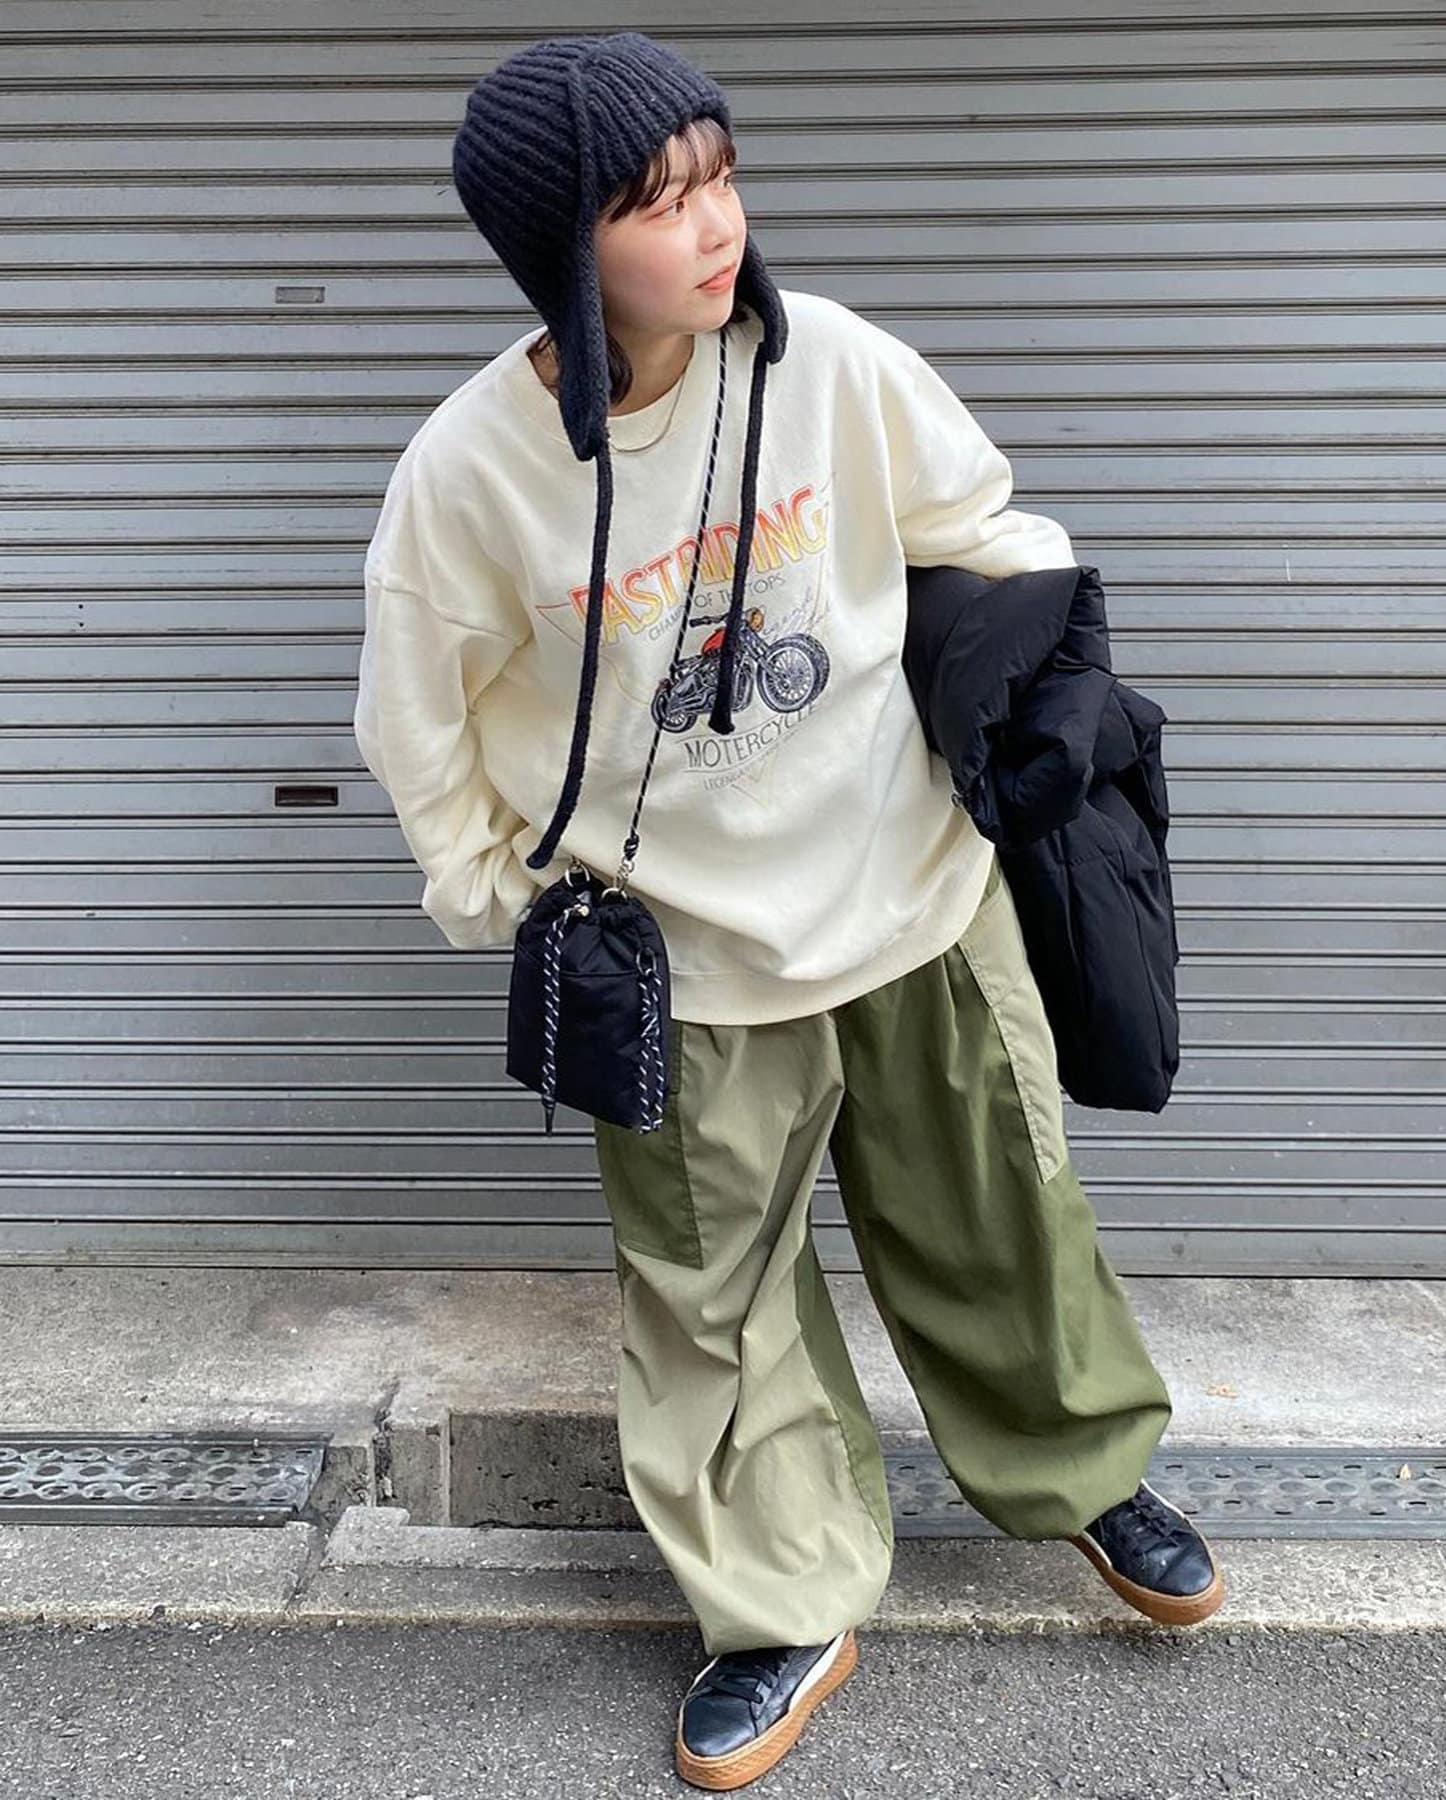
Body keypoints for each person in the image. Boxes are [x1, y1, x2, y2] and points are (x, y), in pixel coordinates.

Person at [353, 31, 1224, 1793]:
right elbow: (417, 721)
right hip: (686, 962)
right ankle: (779, 1604)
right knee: (714, 1295)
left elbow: (983, 526)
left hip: (914, 893)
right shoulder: (473, 471)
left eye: (722, 179)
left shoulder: (830, 360)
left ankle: (1078, 1469)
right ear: (560, 245)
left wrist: (1035, 707)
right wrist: (500, 893)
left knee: (1001, 1212)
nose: (715, 226)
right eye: (657, 202)